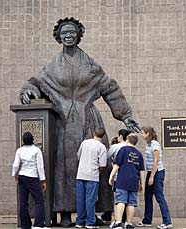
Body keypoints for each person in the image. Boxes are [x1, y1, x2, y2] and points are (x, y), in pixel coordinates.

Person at [19, 17, 140, 226]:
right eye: (64, 33)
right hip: (63, 124)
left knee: (94, 168)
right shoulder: (52, 66)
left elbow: (109, 87)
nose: (68, 36)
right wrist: (27, 91)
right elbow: (35, 82)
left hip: (88, 122)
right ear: (59, 37)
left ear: (78, 36)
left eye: (72, 33)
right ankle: (65, 212)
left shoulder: (90, 64)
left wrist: (125, 114)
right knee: (65, 169)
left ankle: (93, 213)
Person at [136, 127, 172, 229]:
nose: (141, 135)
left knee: (159, 197)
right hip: (151, 172)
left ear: (148, 134)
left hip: (157, 173)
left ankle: (167, 222)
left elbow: (156, 161)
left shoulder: (154, 144)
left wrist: (152, 177)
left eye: (143, 133)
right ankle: (147, 220)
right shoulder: (149, 144)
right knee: (148, 196)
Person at [12, 132, 49, 229]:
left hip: (22, 177)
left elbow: (16, 165)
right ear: (32, 139)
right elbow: (40, 167)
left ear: (23, 140)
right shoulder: (36, 150)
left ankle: (25, 225)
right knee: (39, 200)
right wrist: (43, 180)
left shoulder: (19, 150)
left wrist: (14, 175)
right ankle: (39, 224)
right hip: (32, 177)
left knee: (23, 202)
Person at [109, 134, 145, 229]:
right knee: (131, 203)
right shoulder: (139, 154)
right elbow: (141, 170)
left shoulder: (123, 150)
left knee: (120, 200)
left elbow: (117, 164)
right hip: (134, 181)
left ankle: (118, 222)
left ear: (128, 140)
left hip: (123, 179)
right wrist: (142, 184)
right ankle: (129, 223)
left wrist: (111, 176)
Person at [75, 128, 107, 229]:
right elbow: (102, 165)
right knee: (90, 200)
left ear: (94, 133)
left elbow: (78, 156)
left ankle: (80, 222)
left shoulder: (84, 143)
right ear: (103, 136)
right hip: (92, 176)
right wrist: (98, 171)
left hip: (80, 174)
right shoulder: (102, 147)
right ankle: (90, 223)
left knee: (80, 199)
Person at [100, 129, 130, 226]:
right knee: (128, 200)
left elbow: (107, 156)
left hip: (118, 176)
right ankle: (126, 221)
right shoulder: (132, 147)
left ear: (121, 136)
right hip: (130, 177)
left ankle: (118, 220)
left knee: (118, 200)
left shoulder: (116, 146)